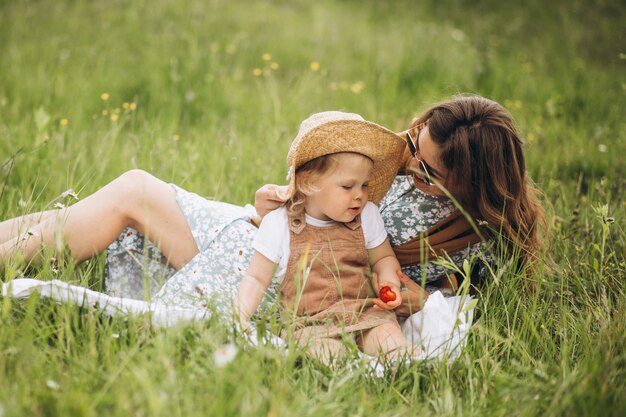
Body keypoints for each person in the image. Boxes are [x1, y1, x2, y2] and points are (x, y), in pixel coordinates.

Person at [0, 94, 546, 321]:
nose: (409, 168)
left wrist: (405, 294)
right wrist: (278, 202)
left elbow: (427, 306)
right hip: (266, 235)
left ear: (472, 186)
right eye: (413, 143)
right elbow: (326, 196)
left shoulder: (478, 244)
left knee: (132, 196)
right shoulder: (400, 167)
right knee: (126, 194)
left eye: (429, 172)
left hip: (280, 276)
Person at [235, 111, 412, 362]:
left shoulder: (367, 216)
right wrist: (240, 318)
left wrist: (387, 281)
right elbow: (255, 278)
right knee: (329, 356)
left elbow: (383, 257)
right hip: (309, 324)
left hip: (364, 313)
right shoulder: (279, 225)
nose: (359, 195)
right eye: (347, 186)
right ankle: (352, 374)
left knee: (390, 340)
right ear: (308, 184)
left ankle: (406, 366)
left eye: (364, 185)